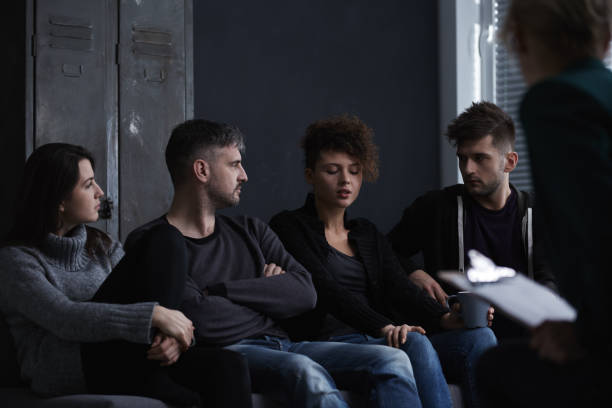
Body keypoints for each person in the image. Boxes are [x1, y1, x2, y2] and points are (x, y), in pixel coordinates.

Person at [124, 118, 425, 408]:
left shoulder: (251, 229)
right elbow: (200, 318)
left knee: (393, 359)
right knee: (306, 372)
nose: (244, 175)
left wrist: (219, 291)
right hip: (231, 353)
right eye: (234, 165)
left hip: (287, 343)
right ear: (202, 170)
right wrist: (267, 293)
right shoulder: (154, 242)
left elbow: (305, 293)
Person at [269, 115, 497, 408]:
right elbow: (324, 289)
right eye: (332, 171)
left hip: (375, 337)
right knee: (412, 342)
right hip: (326, 342)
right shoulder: (289, 226)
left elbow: (400, 287)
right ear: (310, 175)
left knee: (480, 337)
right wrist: (385, 327)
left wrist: (445, 317)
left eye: (354, 171)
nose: (345, 180)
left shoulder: (366, 233)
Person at [0, 143, 253, 408]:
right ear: (60, 200)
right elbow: (63, 316)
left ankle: (156, 365)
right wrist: (155, 316)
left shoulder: (102, 246)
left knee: (229, 366)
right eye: (88, 185)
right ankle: (153, 375)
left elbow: (148, 294)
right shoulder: (16, 260)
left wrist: (173, 338)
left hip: (129, 354)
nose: (100, 192)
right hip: (66, 368)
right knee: (164, 237)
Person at [476, 0, 612, 406]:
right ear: (605, 37)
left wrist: (581, 334)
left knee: (495, 369)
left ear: (519, 40)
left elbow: (597, 232)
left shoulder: (557, 100)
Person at [387, 101, 557, 340]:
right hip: (459, 338)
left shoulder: (537, 213)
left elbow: (550, 279)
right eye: (462, 158)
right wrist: (412, 271)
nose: (468, 169)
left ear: (510, 162)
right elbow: (383, 252)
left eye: (480, 158)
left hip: (525, 340)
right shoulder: (436, 207)